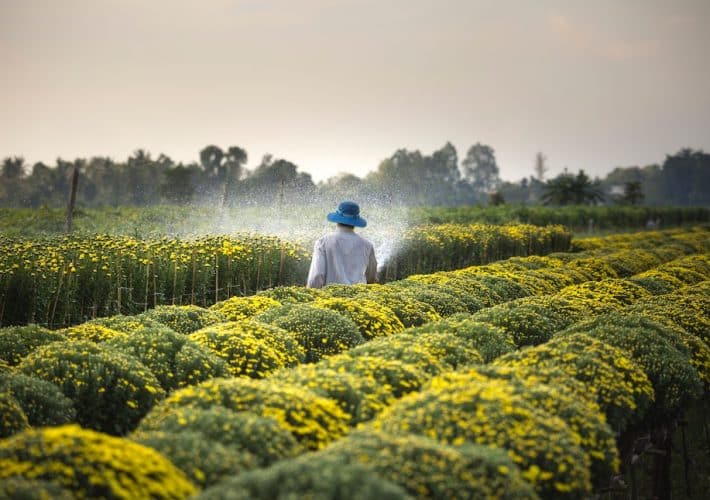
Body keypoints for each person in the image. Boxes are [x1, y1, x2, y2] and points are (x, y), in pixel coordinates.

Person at [306, 201, 377, 289]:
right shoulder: (367, 245)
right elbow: (371, 277)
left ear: (337, 219)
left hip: (329, 298)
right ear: (356, 221)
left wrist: (311, 296)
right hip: (359, 298)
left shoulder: (323, 242)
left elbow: (316, 276)